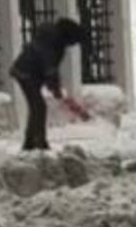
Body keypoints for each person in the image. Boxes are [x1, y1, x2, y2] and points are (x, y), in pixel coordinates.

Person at [10, 18, 87, 151]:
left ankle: (30, 142)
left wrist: (55, 85)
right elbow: (49, 63)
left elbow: (51, 67)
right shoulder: (52, 40)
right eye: (74, 41)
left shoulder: (54, 39)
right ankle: (38, 142)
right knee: (39, 107)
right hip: (26, 73)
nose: (73, 45)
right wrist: (54, 84)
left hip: (31, 73)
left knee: (37, 107)